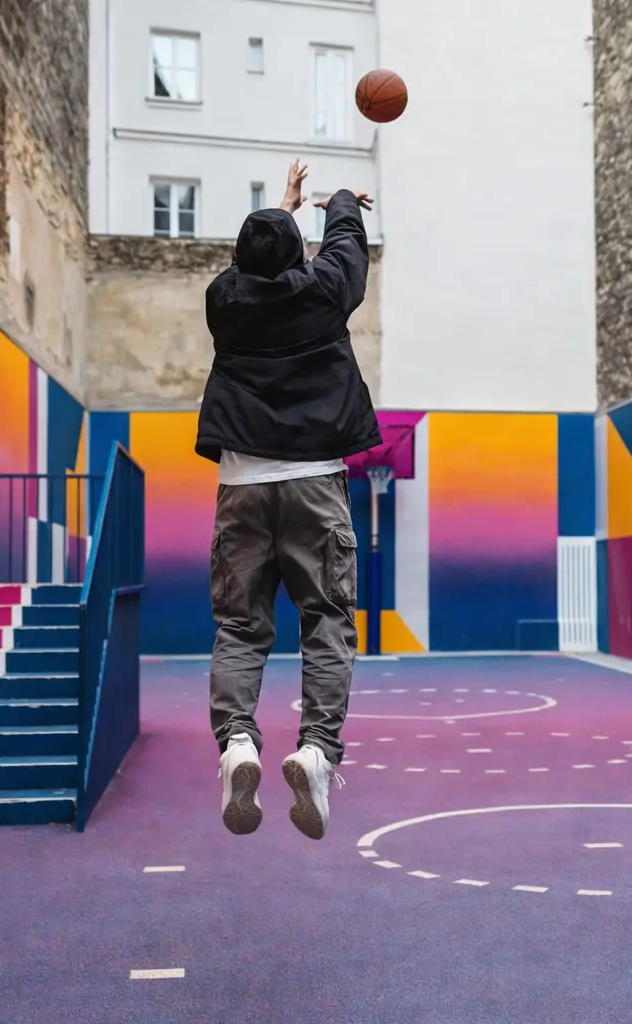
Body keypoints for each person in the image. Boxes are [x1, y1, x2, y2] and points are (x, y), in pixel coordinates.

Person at [195, 159, 381, 840]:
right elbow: (345, 251)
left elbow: (255, 268)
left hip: (243, 487)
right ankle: (317, 752)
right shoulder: (325, 291)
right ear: (298, 256)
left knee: (241, 626)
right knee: (326, 619)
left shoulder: (224, 301)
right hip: (314, 482)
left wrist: (284, 209)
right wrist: (335, 203)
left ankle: (238, 744)